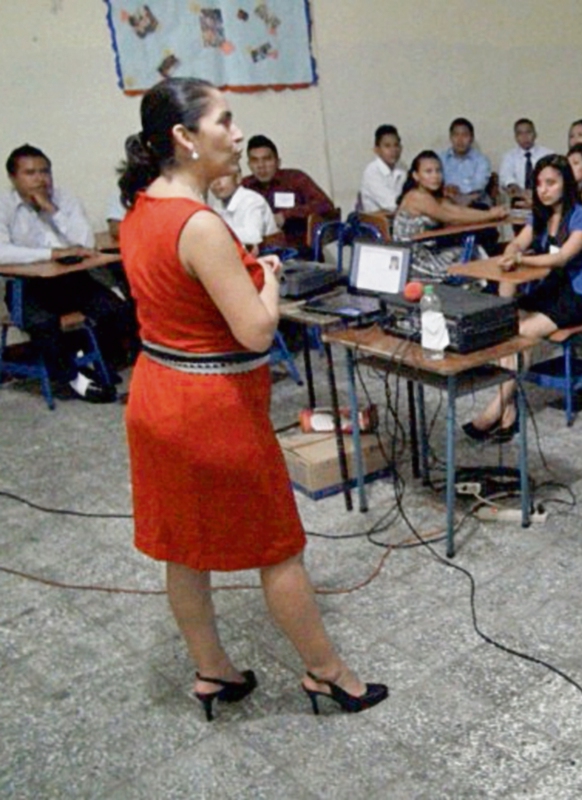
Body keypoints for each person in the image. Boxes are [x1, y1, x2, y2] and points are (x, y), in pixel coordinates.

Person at [118, 77, 386, 719]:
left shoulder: (141, 208)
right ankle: (327, 673)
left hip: (158, 395)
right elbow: (257, 331)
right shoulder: (198, 225)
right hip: (210, 409)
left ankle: (213, 670)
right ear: (184, 137)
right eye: (225, 121)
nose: (238, 135)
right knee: (278, 547)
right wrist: (265, 277)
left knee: (184, 547)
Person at [464, 155, 582, 440]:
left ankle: (494, 410)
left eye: (551, 183)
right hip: (552, 289)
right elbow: (517, 242)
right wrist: (512, 253)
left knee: (523, 331)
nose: (543, 190)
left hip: (580, 294)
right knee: (506, 324)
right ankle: (509, 409)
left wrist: (522, 261)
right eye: (539, 184)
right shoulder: (541, 215)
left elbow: (562, 258)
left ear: (566, 183)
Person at [0, 144, 133, 402]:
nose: (40, 179)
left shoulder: (63, 199)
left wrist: (52, 210)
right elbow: (2, 251)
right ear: (13, 177)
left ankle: (93, 363)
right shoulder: (4, 206)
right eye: (30, 173)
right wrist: (51, 254)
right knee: (43, 324)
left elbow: (86, 243)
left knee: (116, 310)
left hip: (71, 280)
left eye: (44, 171)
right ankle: (75, 379)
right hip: (28, 287)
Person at [392, 150, 507, 281]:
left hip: (430, 250)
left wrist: (490, 213)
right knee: (473, 257)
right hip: (414, 259)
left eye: (438, 171)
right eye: (428, 172)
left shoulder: (432, 196)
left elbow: (458, 210)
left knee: (476, 250)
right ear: (416, 176)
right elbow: (452, 216)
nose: (435, 176)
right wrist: (490, 215)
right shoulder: (416, 196)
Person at [240, 134, 334, 250]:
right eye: (255, 160)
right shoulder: (245, 186)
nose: (261, 166)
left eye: (267, 159)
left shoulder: (295, 179)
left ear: (278, 162)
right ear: (249, 165)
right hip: (258, 251)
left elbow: (325, 205)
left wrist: (285, 215)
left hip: (297, 250)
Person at [208, 164, 279, 254]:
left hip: (266, 255)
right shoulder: (217, 204)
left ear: (238, 178)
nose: (216, 183)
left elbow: (253, 236)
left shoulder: (252, 200)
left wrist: (214, 232)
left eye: (222, 175)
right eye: (211, 178)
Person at [498, 118, 553, 208]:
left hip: (544, 200)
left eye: (528, 132)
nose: (525, 137)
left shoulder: (548, 154)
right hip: (518, 200)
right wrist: (518, 190)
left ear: (535, 134)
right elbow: (505, 177)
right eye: (520, 133)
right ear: (515, 137)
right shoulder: (509, 156)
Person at [439, 117, 492, 207]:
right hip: (445, 202)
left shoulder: (481, 160)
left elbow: (478, 189)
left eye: (465, 135)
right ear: (450, 138)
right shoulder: (440, 158)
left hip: (474, 203)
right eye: (456, 135)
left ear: (471, 138)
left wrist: (457, 191)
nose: (460, 140)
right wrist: (446, 190)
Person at [358, 124, 405, 213]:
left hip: (402, 216)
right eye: (387, 146)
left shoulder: (402, 168)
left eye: (396, 145)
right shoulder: (372, 172)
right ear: (377, 150)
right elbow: (391, 205)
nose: (393, 150)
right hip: (379, 220)